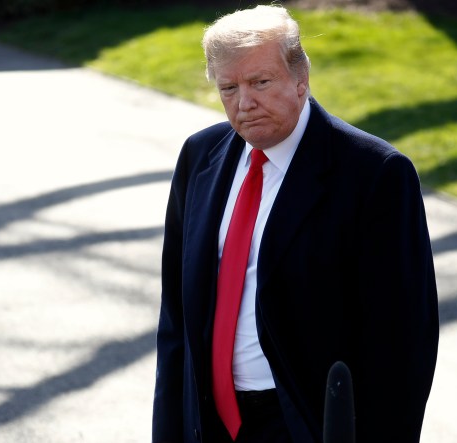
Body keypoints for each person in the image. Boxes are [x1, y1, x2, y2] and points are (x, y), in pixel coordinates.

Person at [152, 5, 438, 443]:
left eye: (260, 82)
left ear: (301, 79)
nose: (244, 103)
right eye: (228, 88)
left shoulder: (375, 174)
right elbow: (176, 321)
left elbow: (402, 346)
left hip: (307, 424)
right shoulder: (200, 157)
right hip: (208, 424)